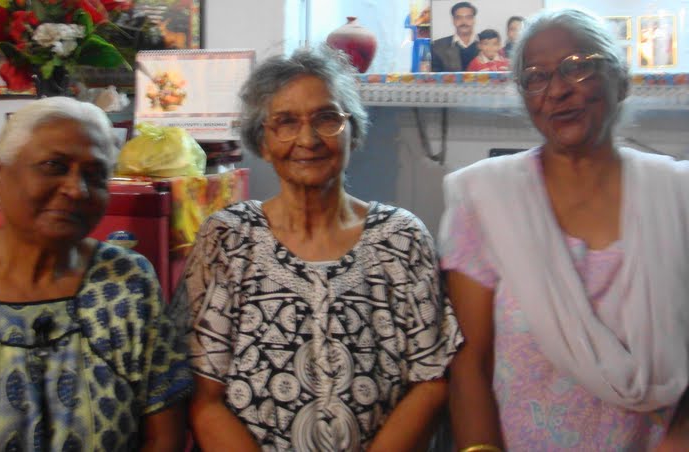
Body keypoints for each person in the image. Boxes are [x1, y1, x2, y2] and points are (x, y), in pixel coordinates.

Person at [180, 45, 462, 451]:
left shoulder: (402, 239)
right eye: (286, 122)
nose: (308, 138)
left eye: (327, 118)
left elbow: (431, 381)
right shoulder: (227, 239)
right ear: (262, 141)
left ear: (353, 131)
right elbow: (203, 397)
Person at [440, 8, 689, 451]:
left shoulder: (677, 195)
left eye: (577, 67)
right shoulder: (485, 200)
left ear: (620, 79)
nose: (556, 90)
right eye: (536, 78)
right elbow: (469, 363)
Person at [0, 97, 192, 451]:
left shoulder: (129, 280)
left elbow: (163, 436)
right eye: (53, 166)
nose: (76, 189)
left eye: (95, 175)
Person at [431, 1, 479, 72]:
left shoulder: (489, 43)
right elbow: (435, 76)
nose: (464, 21)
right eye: (459, 18)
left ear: (474, 20)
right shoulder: (438, 46)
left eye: (468, 17)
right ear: (453, 20)